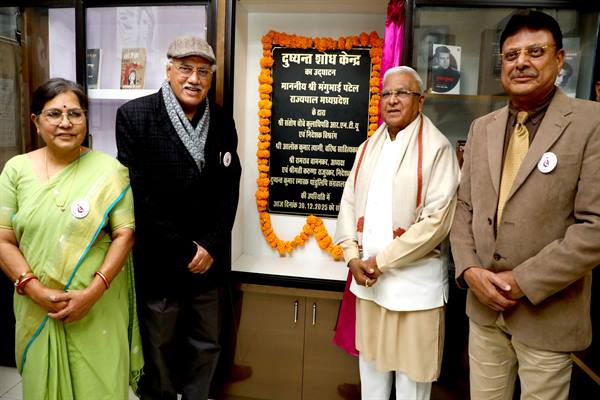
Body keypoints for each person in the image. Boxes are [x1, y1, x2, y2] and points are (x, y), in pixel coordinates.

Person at [450, 10, 600, 400]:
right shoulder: (482, 128)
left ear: (560, 58)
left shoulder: (591, 123)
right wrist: (469, 270)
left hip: (547, 314)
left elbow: (595, 228)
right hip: (484, 309)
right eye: (511, 55)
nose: (521, 63)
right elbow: (463, 208)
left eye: (535, 52)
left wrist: (522, 282)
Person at [0, 78, 143, 399]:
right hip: (37, 306)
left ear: (85, 119)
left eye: (75, 114)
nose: (65, 123)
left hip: (98, 305)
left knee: (101, 387)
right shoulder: (16, 170)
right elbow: (2, 239)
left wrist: (92, 293)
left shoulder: (110, 171)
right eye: (54, 114)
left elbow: (125, 234)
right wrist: (35, 289)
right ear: (36, 121)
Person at [116, 36, 241, 400]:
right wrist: (185, 249)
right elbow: (139, 194)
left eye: (203, 71)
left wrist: (211, 244)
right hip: (161, 257)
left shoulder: (221, 120)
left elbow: (229, 189)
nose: (194, 79)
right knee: (159, 345)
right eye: (185, 69)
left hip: (209, 261)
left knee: (208, 342)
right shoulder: (135, 116)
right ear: (168, 70)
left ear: (211, 77)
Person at [334, 66, 460, 400]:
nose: (392, 100)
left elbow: (436, 223)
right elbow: (348, 201)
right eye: (386, 93)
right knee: (371, 376)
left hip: (415, 291)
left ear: (420, 101)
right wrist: (352, 256)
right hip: (370, 285)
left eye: (402, 93)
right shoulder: (367, 147)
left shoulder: (437, 149)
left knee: (411, 384)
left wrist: (380, 261)